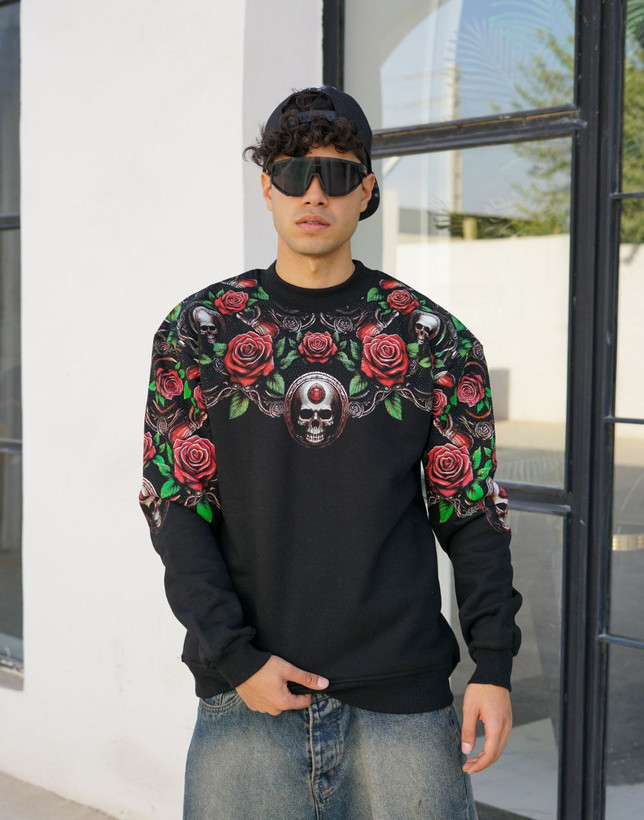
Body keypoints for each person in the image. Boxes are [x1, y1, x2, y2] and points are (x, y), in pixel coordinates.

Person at [139, 85, 522, 820]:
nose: (314, 193)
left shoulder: (432, 339)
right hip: (246, 699)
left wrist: (494, 664)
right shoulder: (199, 332)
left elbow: (472, 512)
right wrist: (234, 657)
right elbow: (175, 504)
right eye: (293, 172)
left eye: (338, 173)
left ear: (366, 191)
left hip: (402, 702)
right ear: (267, 187)